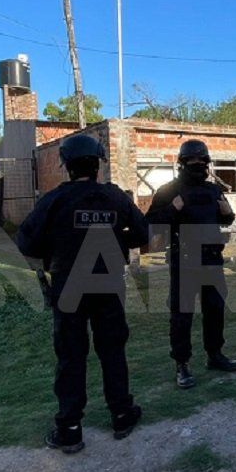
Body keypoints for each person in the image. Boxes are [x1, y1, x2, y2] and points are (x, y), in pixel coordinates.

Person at [16, 134, 149, 454]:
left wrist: (58, 243)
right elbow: (143, 233)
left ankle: (70, 429)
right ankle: (121, 414)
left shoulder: (53, 200)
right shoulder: (115, 198)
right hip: (107, 284)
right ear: (97, 164)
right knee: (112, 351)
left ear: (67, 166)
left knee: (71, 356)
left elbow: (26, 242)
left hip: (69, 287)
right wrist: (116, 239)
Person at [146, 139, 236, 390]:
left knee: (215, 309)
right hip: (184, 260)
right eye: (192, 161)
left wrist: (228, 213)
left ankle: (215, 354)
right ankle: (182, 363)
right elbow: (151, 223)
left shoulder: (213, 190)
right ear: (183, 163)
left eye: (202, 161)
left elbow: (226, 218)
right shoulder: (168, 190)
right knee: (182, 314)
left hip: (212, 259)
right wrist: (172, 209)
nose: (198, 164)